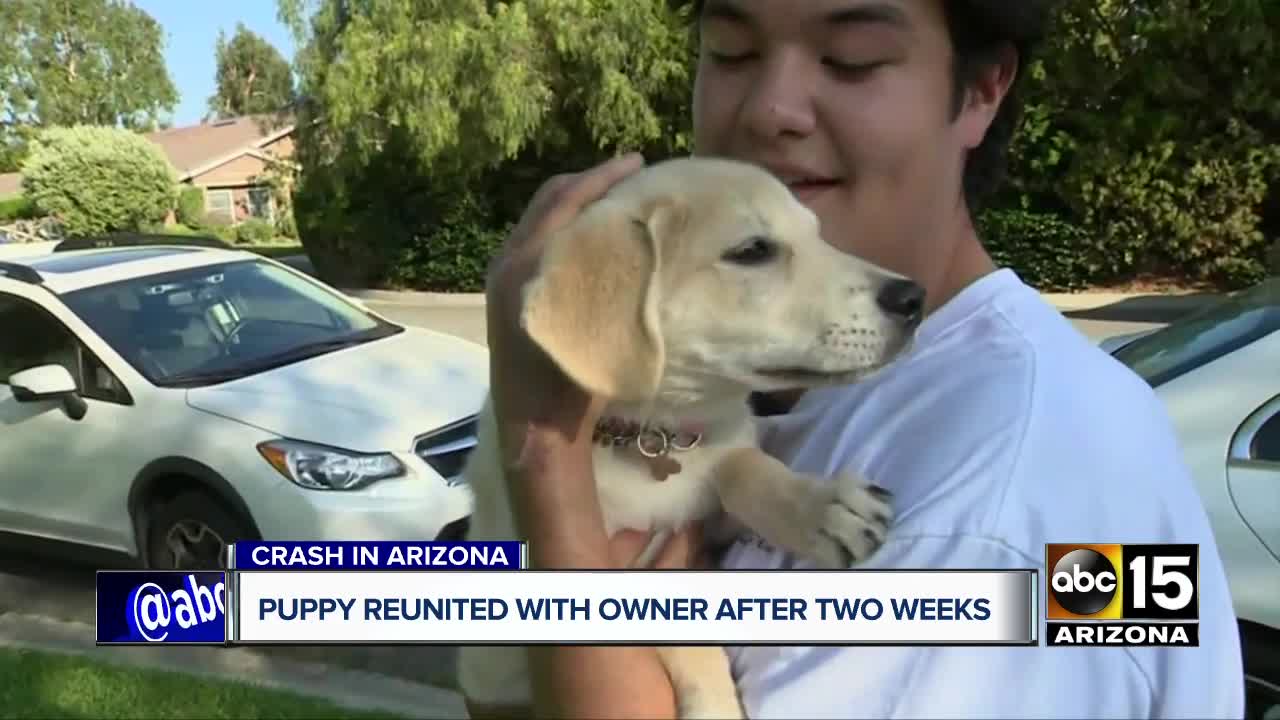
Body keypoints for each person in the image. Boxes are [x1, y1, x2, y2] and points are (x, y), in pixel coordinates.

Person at [477, 0, 1246, 718]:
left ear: (982, 88)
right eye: (731, 51)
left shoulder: (990, 514)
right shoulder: (798, 376)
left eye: (851, 60)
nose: (771, 108)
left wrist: (546, 452)